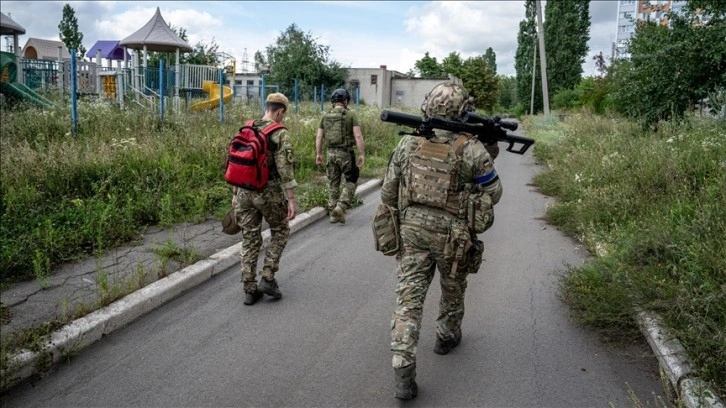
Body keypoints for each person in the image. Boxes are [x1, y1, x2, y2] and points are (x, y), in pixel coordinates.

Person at [380, 83, 503, 399]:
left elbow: (387, 193)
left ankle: (402, 361)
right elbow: (494, 193)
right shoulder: (471, 149)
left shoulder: (408, 145)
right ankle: (446, 336)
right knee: (452, 288)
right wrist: (487, 149)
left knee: (408, 298)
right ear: (463, 112)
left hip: (412, 231)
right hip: (454, 236)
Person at [232, 92, 297, 306]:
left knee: (249, 238)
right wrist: (290, 199)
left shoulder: (247, 128)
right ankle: (268, 277)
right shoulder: (279, 133)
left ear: (266, 107)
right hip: (268, 193)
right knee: (280, 230)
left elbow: (237, 163)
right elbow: (285, 170)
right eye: (283, 115)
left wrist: (235, 195)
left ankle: (250, 289)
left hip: (243, 191)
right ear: (280, 111)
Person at [315, 88, 365, 224]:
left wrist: (319, 153)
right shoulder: (351, 115)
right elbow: (358, 135)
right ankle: (341, 206)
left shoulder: (325, 116)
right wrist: (362, 153)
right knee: (351, 179)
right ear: (346, 101)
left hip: (330, 153)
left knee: (333, 183)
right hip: (346, 153)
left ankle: (333, 213)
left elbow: (319, 136)